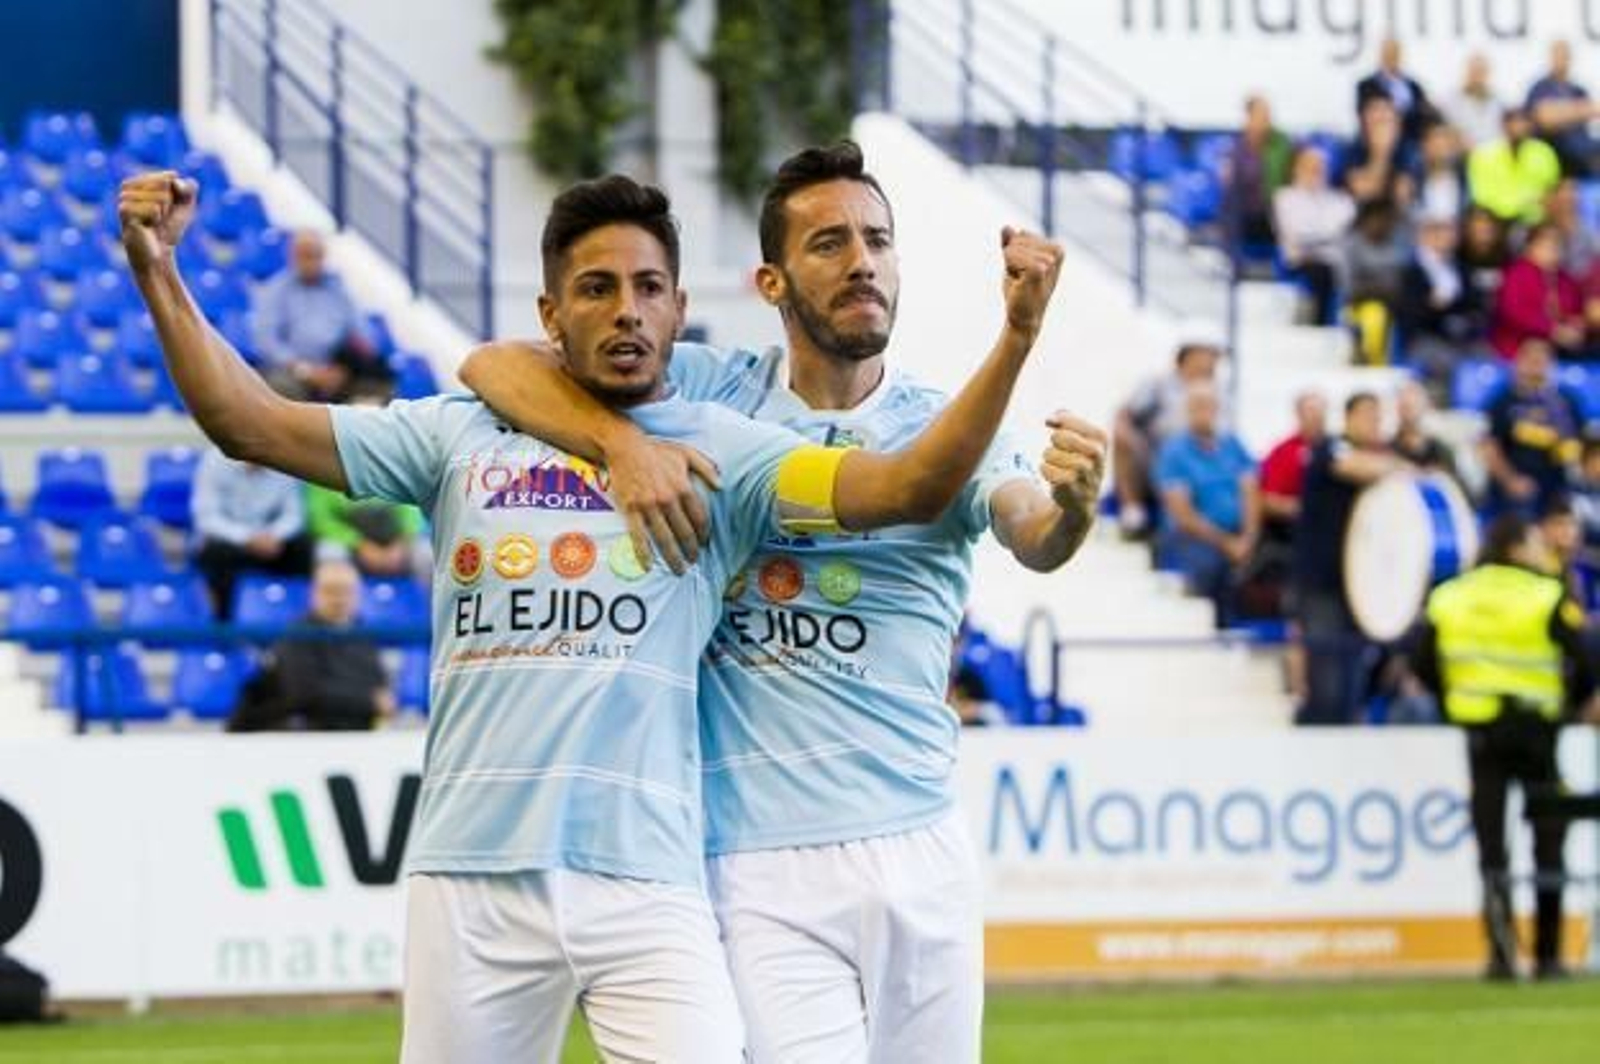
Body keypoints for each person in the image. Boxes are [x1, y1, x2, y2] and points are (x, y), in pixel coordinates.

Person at [121, 166, 1064, 1063]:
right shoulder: (458, 432)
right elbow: (249, 420)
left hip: (646, 881)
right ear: (550, 315)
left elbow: (906, 484)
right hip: (470, 874)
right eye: (598, 288)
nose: (627, 309)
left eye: (650, 288)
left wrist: (1014, 337)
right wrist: (159, 273)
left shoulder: (730, 453)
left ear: (680, 312)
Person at [459, 143, 1103, 1064]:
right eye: (830, 243)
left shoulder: (946, 425)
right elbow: (494, 364)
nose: (862, 262)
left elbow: (1030, 530)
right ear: (771, 279)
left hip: (923, 845)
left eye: (878, 240)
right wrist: (618, 442)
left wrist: (1074, 508)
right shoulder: (712, 393)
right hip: (756, 858)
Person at [1411, 514, 1593, 981]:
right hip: (1537, 732)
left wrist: (1455, 702)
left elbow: (1421, 661)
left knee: (1492, 848)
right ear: (1516, 548)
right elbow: (1586, 656)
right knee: (1548, 842)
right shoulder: (1544, 594)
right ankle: (1548, 957)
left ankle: (1500, 954)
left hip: (1480, 734)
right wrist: (1574, 707)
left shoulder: (1451, 596)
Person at [1293, 392, 1406, 724]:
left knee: (1354, 676)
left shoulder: (1381, 460)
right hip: (1322, 581)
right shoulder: (1330, 448)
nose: (1375, 423)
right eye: (1368, 415)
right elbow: (1357, 467)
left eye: (1379, 416)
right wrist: (1403, 468)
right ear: (1348, 418)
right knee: (1327, 677)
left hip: (1358, 585)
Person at [226, 558, 394, 732]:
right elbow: (306, 695)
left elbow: (378, 683)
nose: (338, 599)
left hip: (351, 732)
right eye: (330, 591)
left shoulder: (362, 634)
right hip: (297, 736)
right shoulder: (298, 635)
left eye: (346, 591)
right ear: (313, 593)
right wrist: (369, 702)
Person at [1153, 383, 1259, 627]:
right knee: (1215, 568)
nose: (1205, 412)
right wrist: (1229, 544)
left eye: (1210, 406)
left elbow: (1251, 489)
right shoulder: (1174, 452)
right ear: (1187, 411)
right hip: (1195, 538)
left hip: (1240, 535)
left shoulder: (1233, 444)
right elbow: (1183, 515)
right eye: (1198, 407)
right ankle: (1223, 630)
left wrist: (1248, 538)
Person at [253, 229, 393, 401]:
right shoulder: (275, 290)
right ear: (293, 257)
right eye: (306, 255)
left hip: (337, 369)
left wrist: (342, 368)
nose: (312, 262)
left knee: (377, 385)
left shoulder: (338, 290)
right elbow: (267, 342)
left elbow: (362, 333)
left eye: (316, 255)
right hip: (293, 371)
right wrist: (307, 371)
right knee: (282, 387)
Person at [1113, 341, 1226, 537]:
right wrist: (1129, 437)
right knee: (1124, 441)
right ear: (1186, 358)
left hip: (1204, 462)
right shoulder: (1158, 383)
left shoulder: (1221, 391)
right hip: (1161, 461)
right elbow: (1125, 416)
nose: (1210, 364)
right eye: (1205, 357)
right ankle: (1133, 511)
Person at [190, 444, 314, 618]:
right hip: (230, 544)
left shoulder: (286, 462)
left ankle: (300, 619)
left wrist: (273, 536)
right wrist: (247, 538)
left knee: (305, 548)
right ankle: (225, 625)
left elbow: (294, 515)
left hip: (271, 544)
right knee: (215, 554)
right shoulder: (213, 461)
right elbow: (206, 518)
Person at [1481, 339, 1583, 519]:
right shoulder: (1504, 400)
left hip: (1558, 483)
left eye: (1542, 361)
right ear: (1519, 363)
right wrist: (1510, 480)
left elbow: (1582, 442)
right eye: (1532, 360)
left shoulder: (1566, 401)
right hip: (1518, 484)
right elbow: (1489, 447)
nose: (1537, 366)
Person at [1272, 145, 1354, 326]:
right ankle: (1320, 328)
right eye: (1309, 164)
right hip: (1301, 262)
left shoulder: (1340, 199)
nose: (1316, 170)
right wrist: (1329, 235)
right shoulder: (1285, 197)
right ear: (1296, 167)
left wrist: (1325, 235)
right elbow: (1301, 235)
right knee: (1321, 271)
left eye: (1320, 165)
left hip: (1338, 262)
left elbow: (1347, 228)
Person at [1489, 223, 1584, 360]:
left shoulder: (1565, 280)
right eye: (1546, 243)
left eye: (1557, 243)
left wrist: (1575, 326)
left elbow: (1574, 309)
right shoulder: (1516, 274)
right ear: (1530, 247)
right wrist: (1552, 330)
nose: (1553, 248)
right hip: (1516, 349)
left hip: (1558, 351)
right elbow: (1514, 312)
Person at [1467, 106, 1562, 226]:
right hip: (1496, 223)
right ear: (1503, 125)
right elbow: (1481, 196)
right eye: (1513, 122)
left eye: (1522, 122)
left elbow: (1551, 191)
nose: (1517, 128)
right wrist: (1516, 207)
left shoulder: (1544, 153)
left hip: (1535, 222)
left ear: (1530, 125)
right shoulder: (1483, 154)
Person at [1224, 95, 1292, 249]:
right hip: (1249, 211)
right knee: (1231, 203)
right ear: (1249, 117)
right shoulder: (1237, 149)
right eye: (1261, 114)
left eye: (1268, 114)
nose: (1266, 118)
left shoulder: (1282, 143)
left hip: (1277, 209)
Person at [1527, 39, 1600, 177]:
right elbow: (1545, 118)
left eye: (1565, 55)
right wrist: (1582, 110)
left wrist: (1564, 111)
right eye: (1558, 55)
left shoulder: (1579, 90)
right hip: (1553, 152)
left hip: (1581, 153)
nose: (1561, 59)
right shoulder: (1540, 88)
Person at [1355, 36, 1437, 150]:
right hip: (1376, 138)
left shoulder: (1414, 86)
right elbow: (1364, 113)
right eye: (1388, 52)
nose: (1391, 56)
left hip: (1410, 139)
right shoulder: (1366, 86)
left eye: (1394, 52)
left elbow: (1423, 111)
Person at [1343, 95, 1417, 209]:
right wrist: (1378, 153)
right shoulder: (1352, 152)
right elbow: (1362, 194)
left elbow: (1402, 197)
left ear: (1397, 126)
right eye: (1375, 122)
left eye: (1385, 121)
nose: (1380, 129)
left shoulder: (1409, 153)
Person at [1390, 379, 1459, 482]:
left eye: (1414, 404)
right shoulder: (1388, 449)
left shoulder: (1441, 449)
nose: (1409, 408)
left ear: (1425, 406)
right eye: (1404, 405)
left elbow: (1453, 485)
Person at [1445, 53, 1504, 149]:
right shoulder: (1451, 100)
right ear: (1467, 72)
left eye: (1481, 71)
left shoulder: (1499, 102)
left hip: (1492, 157)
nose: (1478, 76)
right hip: (1461, 156)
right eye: (1474, 71)